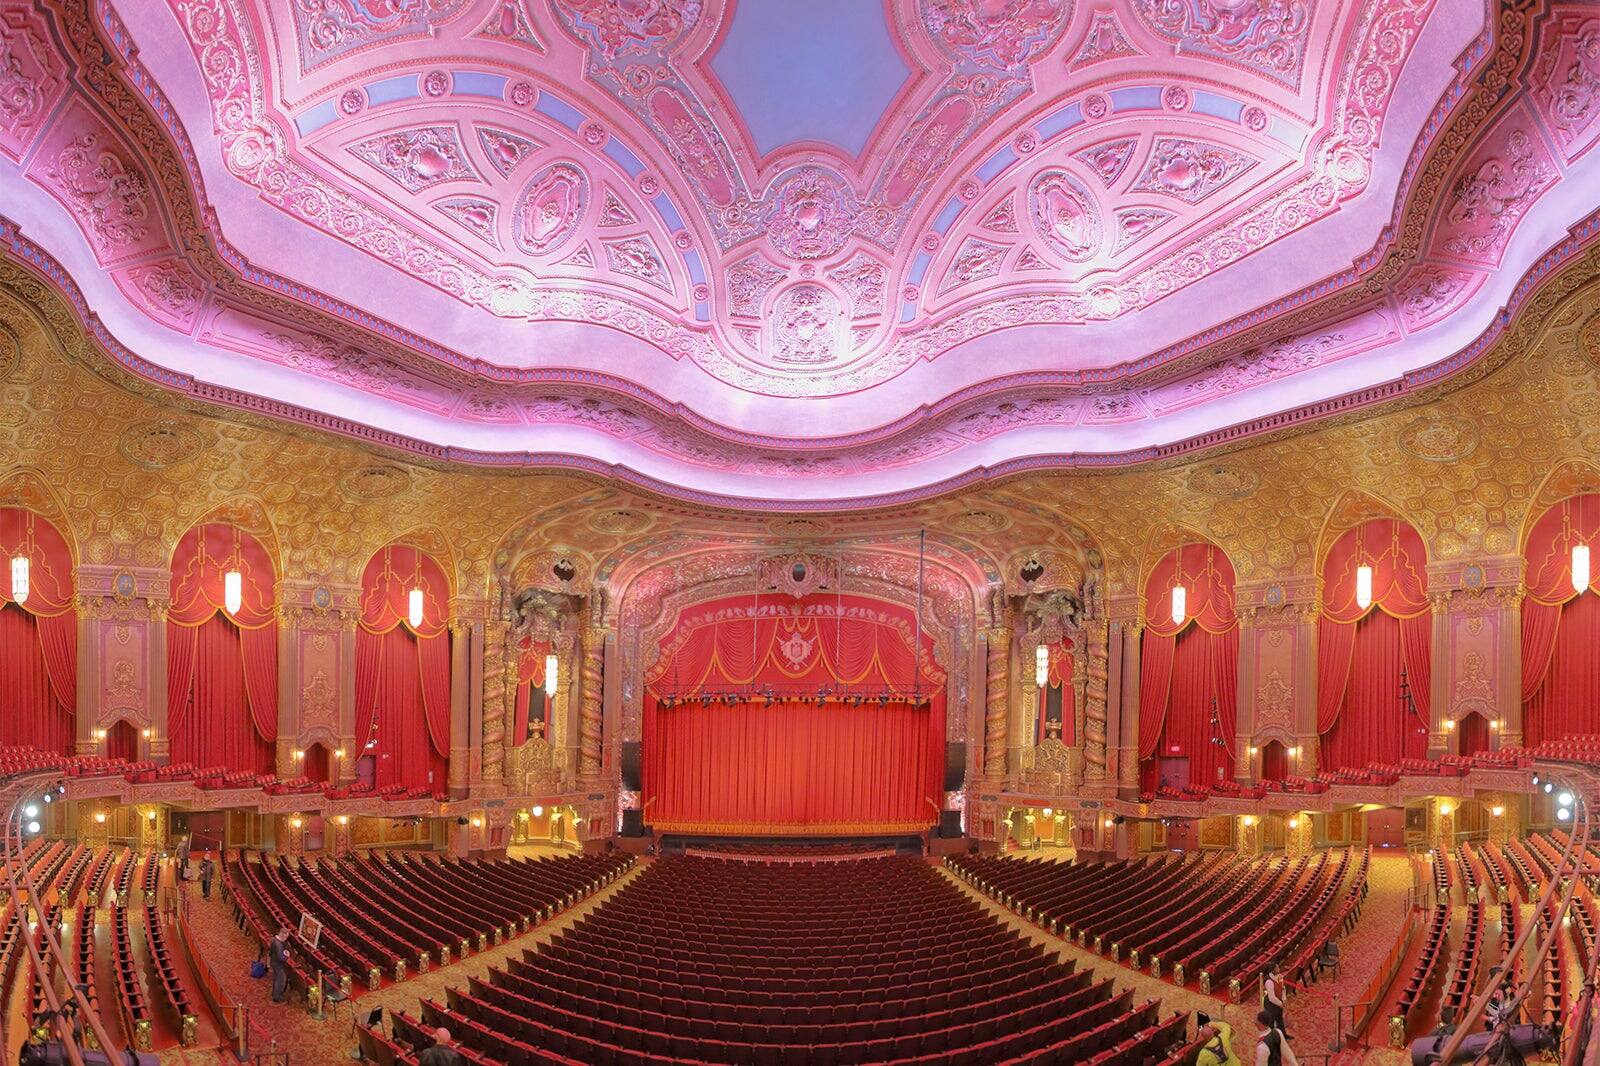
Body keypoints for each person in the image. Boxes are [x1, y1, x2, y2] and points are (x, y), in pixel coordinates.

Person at [1262, 963, 1289, 1038]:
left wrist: (1284, 999)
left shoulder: (1279, 977)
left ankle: (1283, 1035)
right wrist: (1281, 1003)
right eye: (1277, 968)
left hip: (1278, 1002)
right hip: (1271, 1004)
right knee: (1271, 1022)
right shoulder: (1269, 981)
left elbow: (1283, 988)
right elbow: (1271, 997)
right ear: (1273, 970)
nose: (1279, 969)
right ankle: (1271, 1038)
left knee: (1280, 1020)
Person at [269, 927, 292, 1004]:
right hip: (277, 964)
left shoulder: (273, 940)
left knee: (276, 979)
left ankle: (274, 993)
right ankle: (277, 997)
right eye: (286, 937)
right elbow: (281, 958)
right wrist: (287, 956)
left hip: (273, 961)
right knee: (280, 980)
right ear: (282, 935)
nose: (286, 939)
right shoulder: (278, 944)